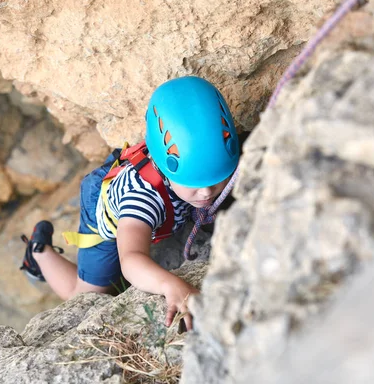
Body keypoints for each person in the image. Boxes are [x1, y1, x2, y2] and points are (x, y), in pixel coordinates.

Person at [20, 76, 240, 330]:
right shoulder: (142, 200)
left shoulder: (210, 154)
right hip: (106, 211)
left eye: (217, 179)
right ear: (165, 168)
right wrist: (172, 285)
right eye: (194, 183)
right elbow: (131, 259)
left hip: (132, 179)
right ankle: (38, 253)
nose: (206, 192)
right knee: (86, 296)